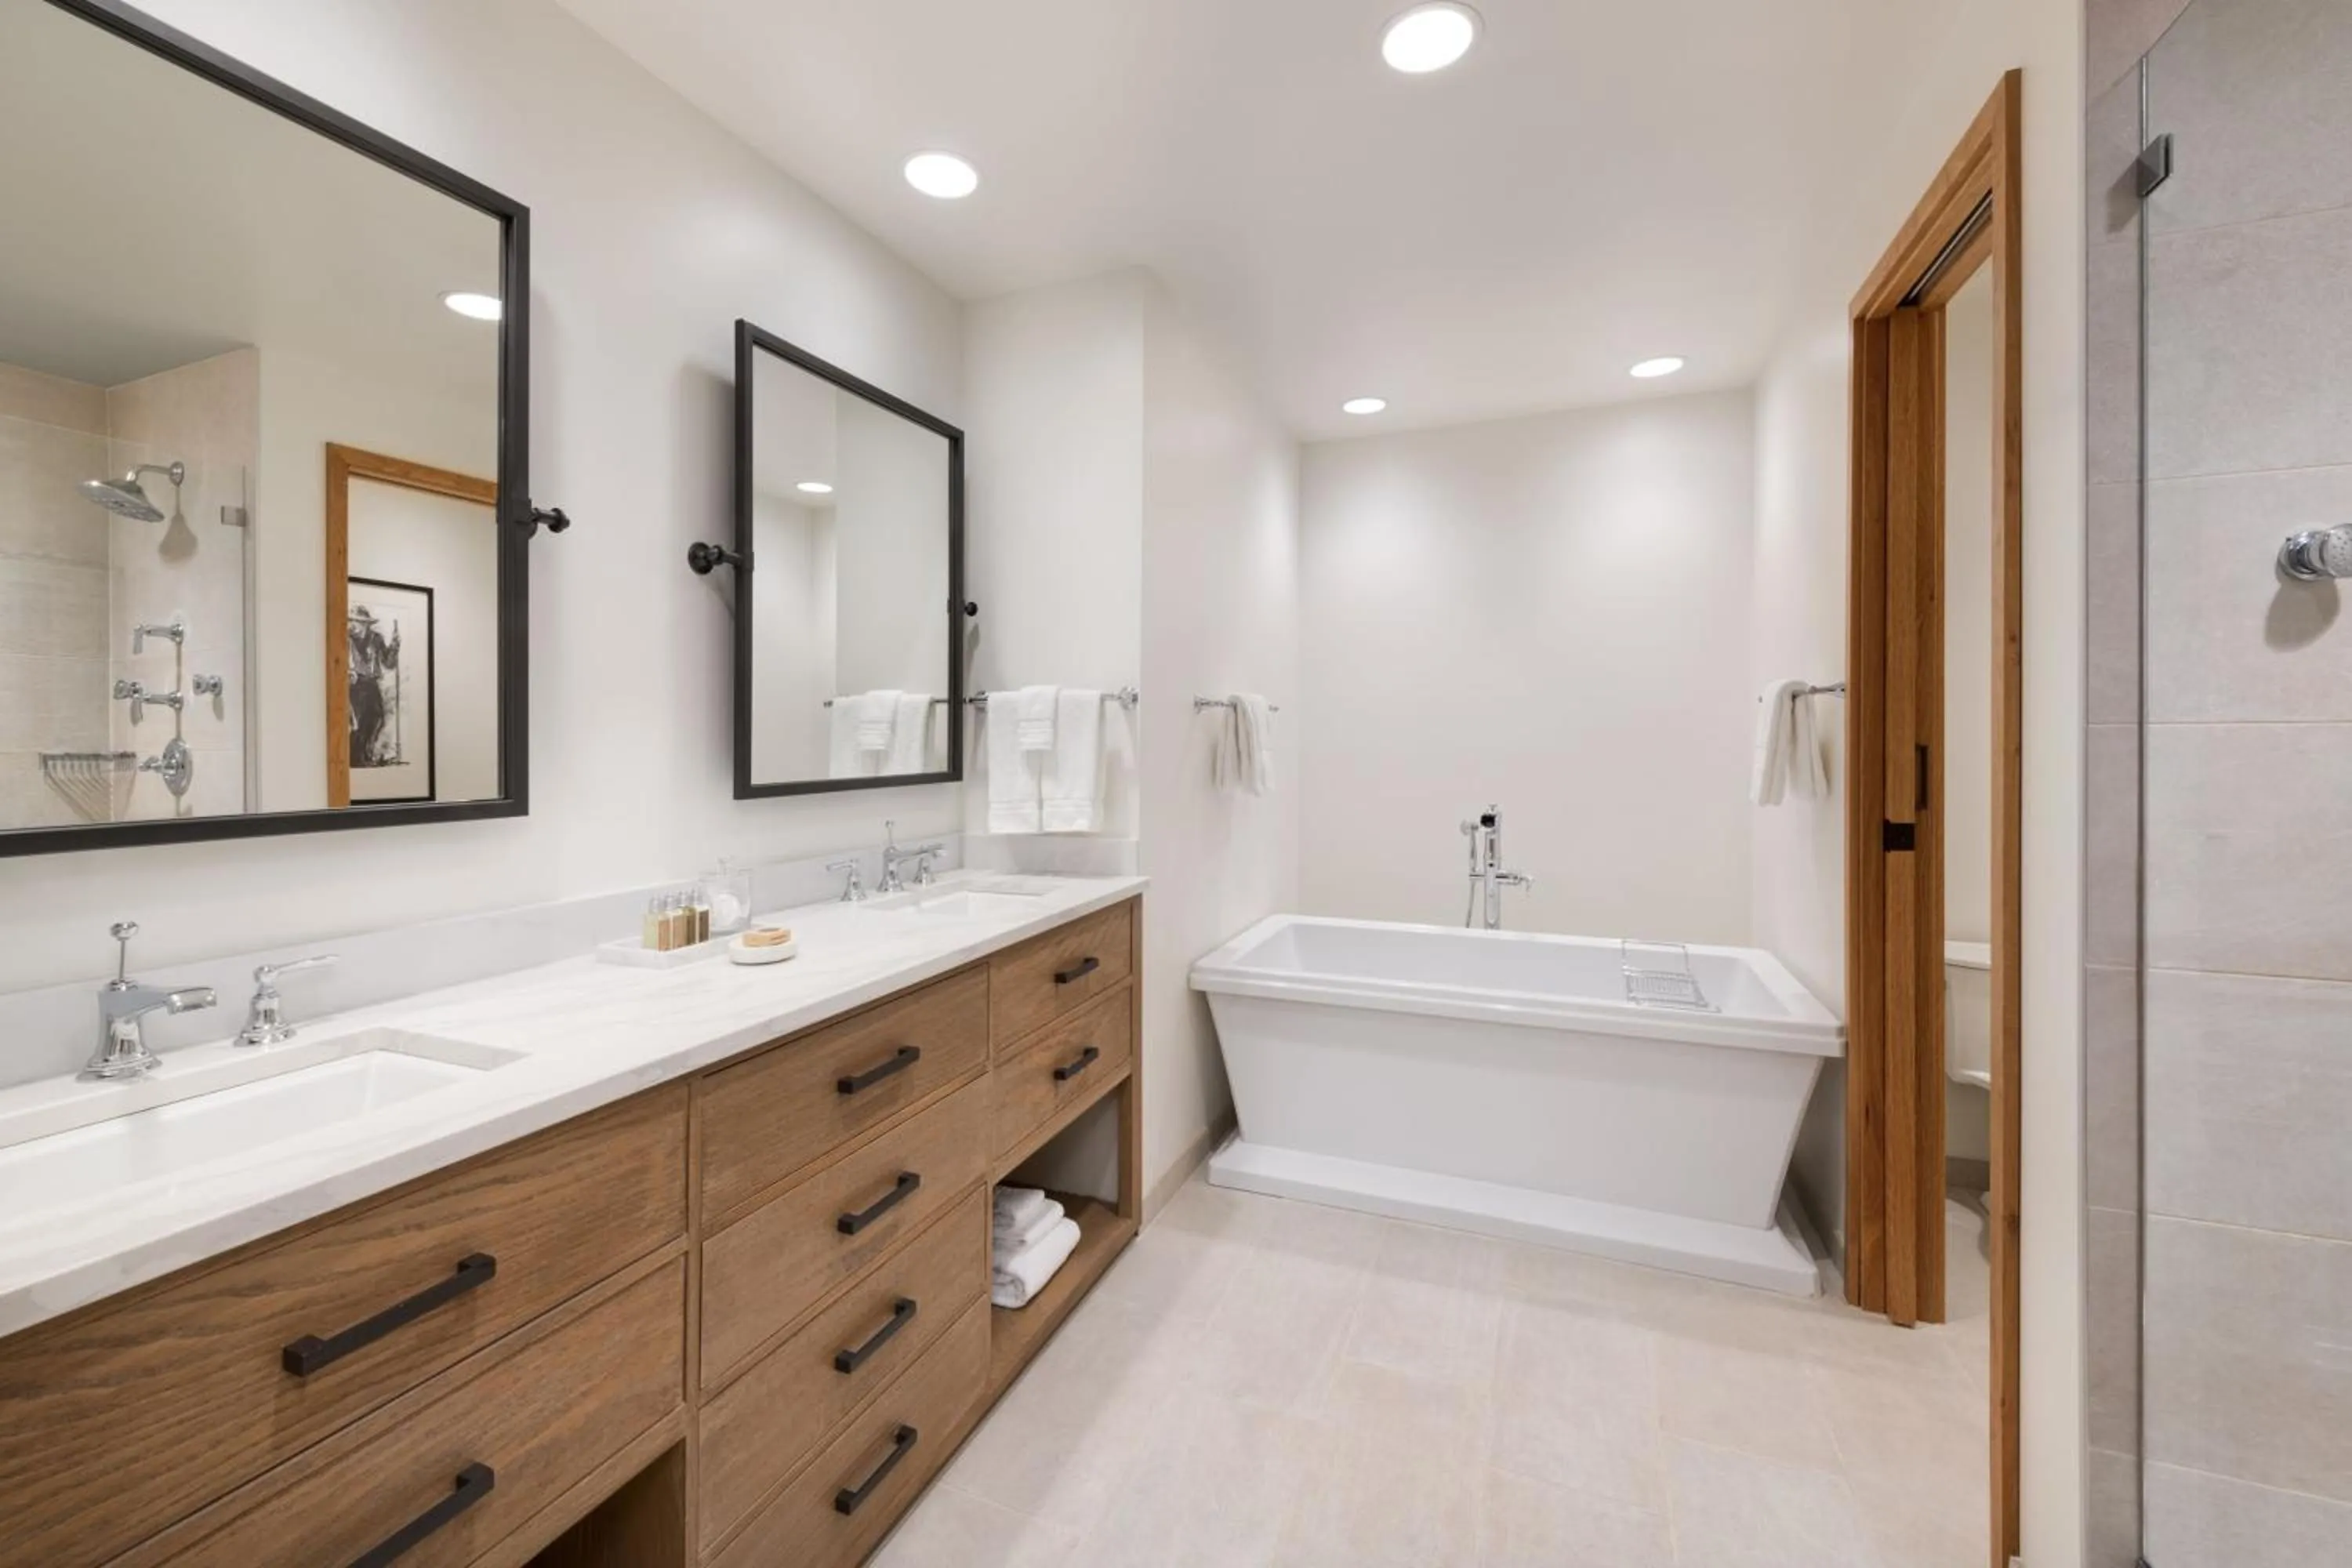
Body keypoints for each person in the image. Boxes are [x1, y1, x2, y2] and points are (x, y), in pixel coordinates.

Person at [347, 604, 402, 766]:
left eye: (358, 621)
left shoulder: (376, 638)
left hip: (371, 684)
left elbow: (389, 663)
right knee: (359, 722)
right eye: (352, 621)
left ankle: (365, 755)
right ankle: (356, 758)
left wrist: (394, 647)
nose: (353, 625)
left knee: (377, 718)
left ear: (366, 624)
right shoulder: (345, 638)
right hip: (354, 684)